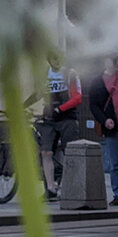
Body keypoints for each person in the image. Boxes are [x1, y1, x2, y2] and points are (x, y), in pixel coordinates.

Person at [36, 54, 82, 200]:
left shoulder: (70, 74)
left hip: (67, 118)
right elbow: (39, 93)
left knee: (70, 152)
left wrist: (60, 109)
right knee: (46, 152)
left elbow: (77, 98)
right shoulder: (45, 74)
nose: (55, 62)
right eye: (52, 59)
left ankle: (71, 188)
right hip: (49, 117)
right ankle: (51, 189)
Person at [90, 56, 118, 205]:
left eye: (117, 61)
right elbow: (94, 105)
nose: (115, 64)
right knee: (116, 163)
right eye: (112, 61)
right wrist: (104, 120)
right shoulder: (98, 82)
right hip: (113, 128)